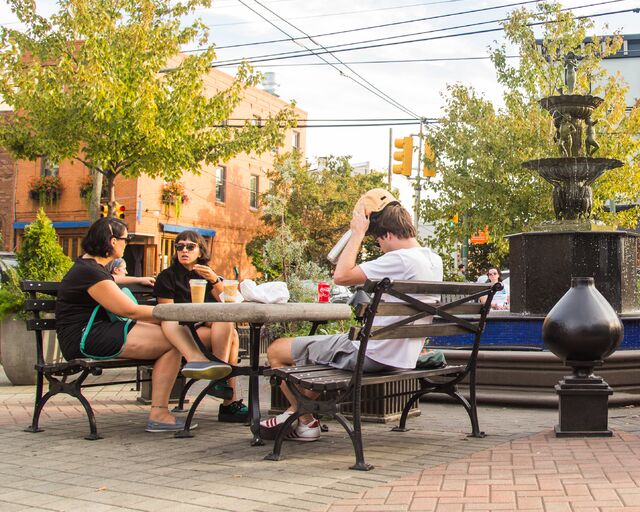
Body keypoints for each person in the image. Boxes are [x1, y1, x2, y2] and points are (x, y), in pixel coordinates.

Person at [260, 189, 442, 442]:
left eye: (379, 241)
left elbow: (341, 276)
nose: (380, 247)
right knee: (317, 354)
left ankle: (302, 420)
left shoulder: (400, 259)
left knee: (277, 350)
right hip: (403, 356)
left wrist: (357, 233)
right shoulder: (434, 260)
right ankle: (300, 416)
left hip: (373, 354)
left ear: (388, 235)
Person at [54, 217, 231, 433]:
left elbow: (114, 284)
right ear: (112, 241)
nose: (126, 244)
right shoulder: (89, 271)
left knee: (171, 336)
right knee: (170, 337)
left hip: (99, 330)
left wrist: (138, 280)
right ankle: (187, 372)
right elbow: (129, 310)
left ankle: (171, 397)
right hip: (85, 337)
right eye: (125, 239)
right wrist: (177, 312)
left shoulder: (91, 268)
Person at [154, 231, 248, 423]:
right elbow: (167, 313)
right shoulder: (167, 276)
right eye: (179, 247)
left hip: (208, 329)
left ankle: (220, 380)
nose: (184, 251)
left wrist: (214, 279)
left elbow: (230, 303)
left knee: (228, 325)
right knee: (233, 337)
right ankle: (227, 399)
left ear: (200, 251)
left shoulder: (207, 274)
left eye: (190, 247)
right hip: (182, 330)